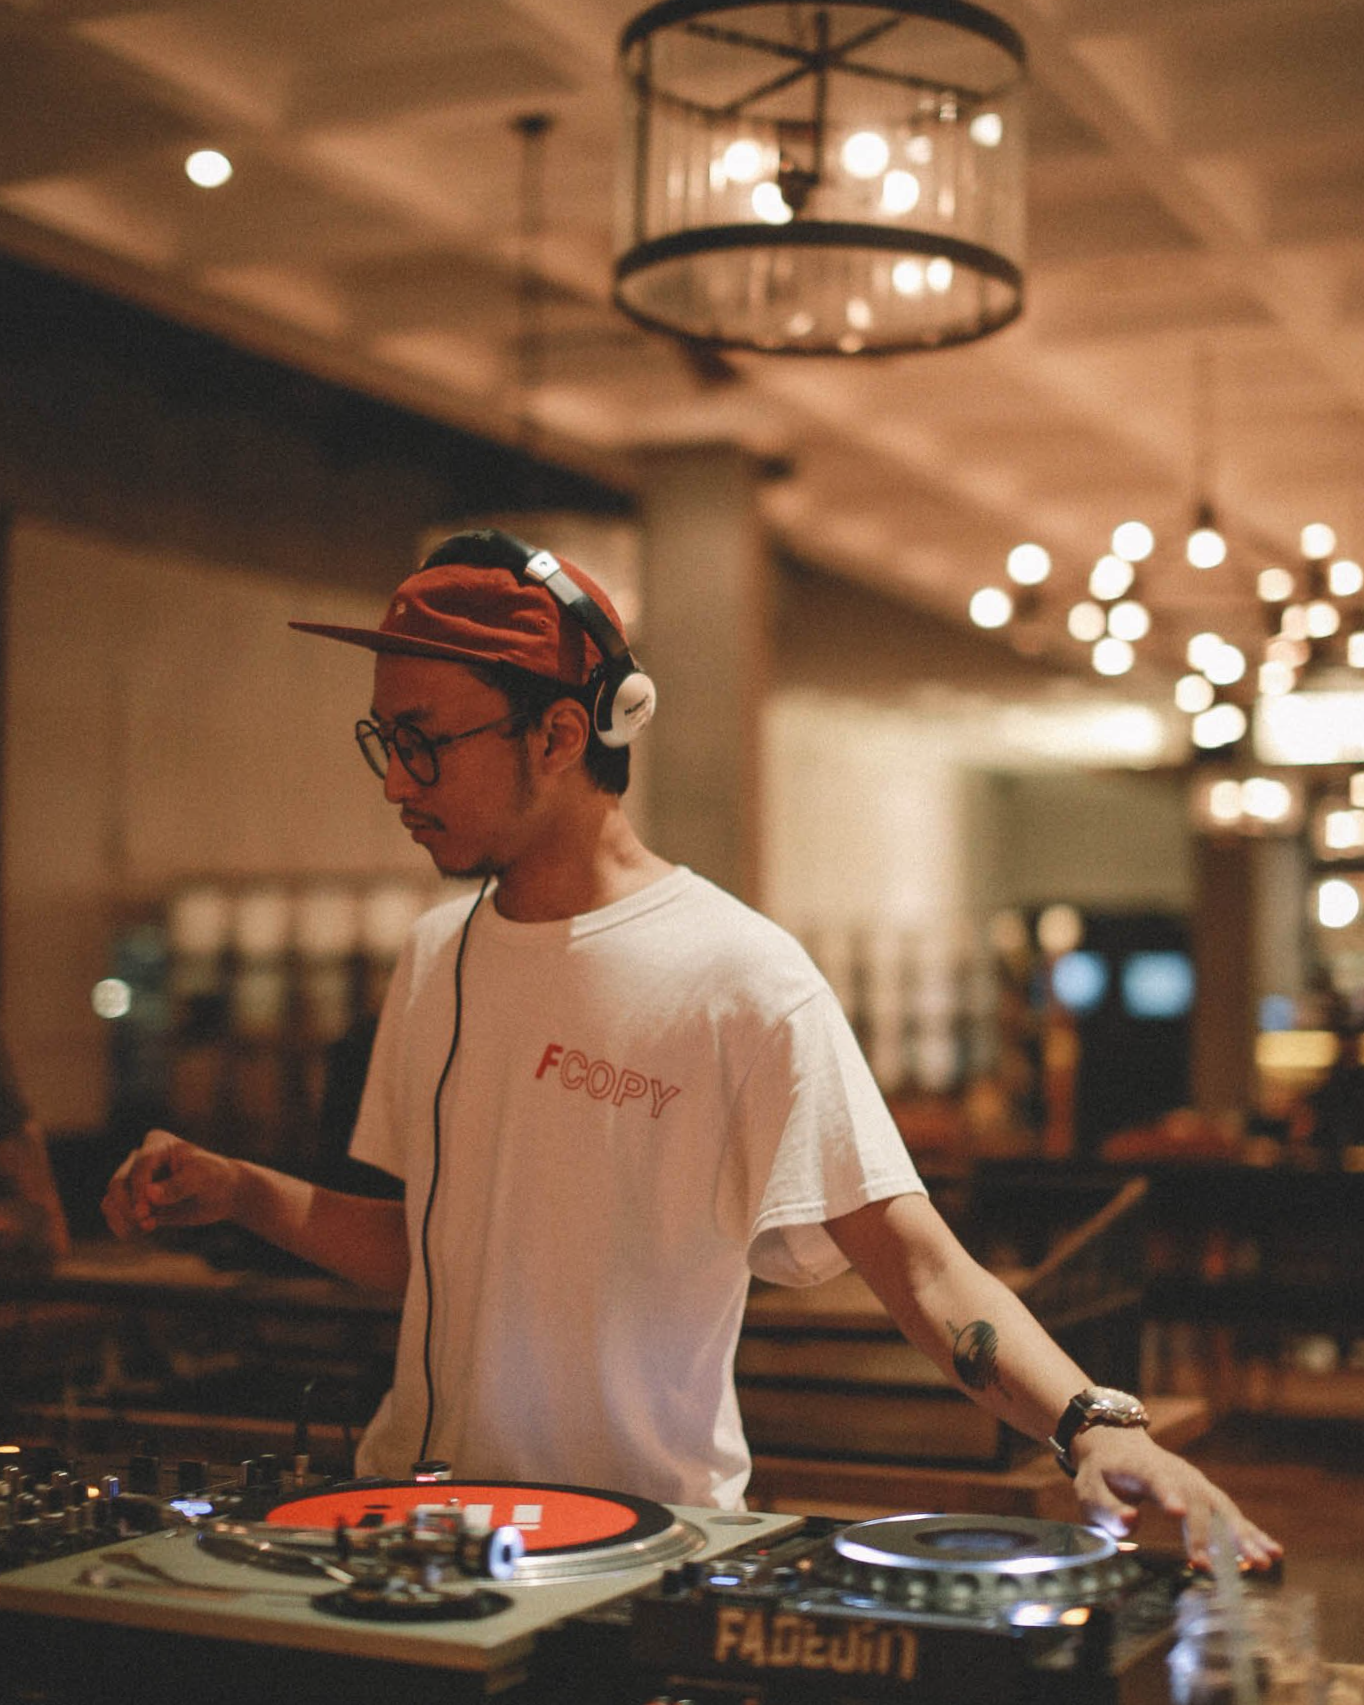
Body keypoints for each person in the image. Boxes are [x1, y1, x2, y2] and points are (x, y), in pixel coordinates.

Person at [103, 528, 1279, 1570]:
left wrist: (1094, 1422)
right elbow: (431, 1250)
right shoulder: (431, 957)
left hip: (633, 1553)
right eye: (383, 740)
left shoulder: (741, 977)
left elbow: (917, 1263)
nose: (395, 783)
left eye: (424, 742)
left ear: (560, 731)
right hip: (410, 1533)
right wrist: (240, 1190)